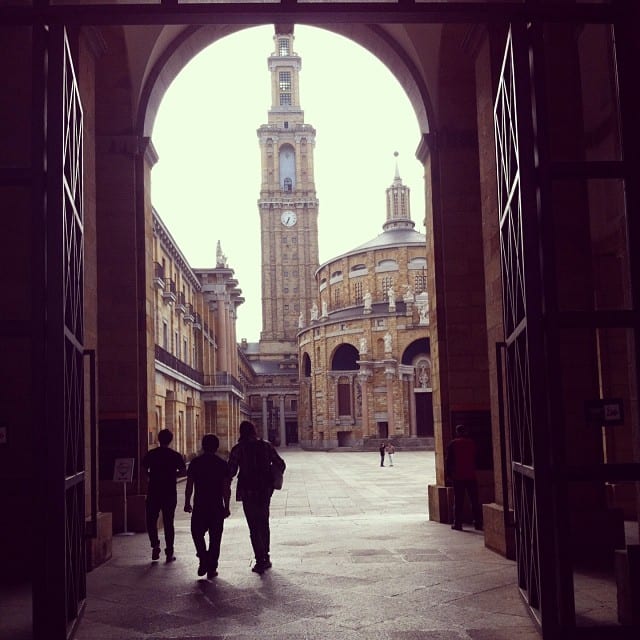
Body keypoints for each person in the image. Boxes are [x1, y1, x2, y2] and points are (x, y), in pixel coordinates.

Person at [228, 420, 286, 574]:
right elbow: (280, 463)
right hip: (265, 490)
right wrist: (272, 477)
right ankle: (266, 556)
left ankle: (260, 559)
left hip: (247, 491)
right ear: (254, 430)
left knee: (253, 526)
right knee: (264, 522)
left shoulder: (238, 449)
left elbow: (231, 471)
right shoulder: (266, 445)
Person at [184, 434, 231, 579]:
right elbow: (226, 488)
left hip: (200, 505)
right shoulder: (222, 464)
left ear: (203, 446)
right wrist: (227, 506)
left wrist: (187, 502)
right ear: (216, 447)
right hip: (216, 506)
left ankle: (203, 557)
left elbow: (189, 485)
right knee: (215, 538)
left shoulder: (195, 463)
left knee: (196, 533)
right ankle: (212, 567)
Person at [141, 428, 186, 562]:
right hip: (169, 492)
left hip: (154, 491)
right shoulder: (175, 455)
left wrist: (150, 476)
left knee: (151, 520)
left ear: (158, 439)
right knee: (168, 522)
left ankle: (155, 544)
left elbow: (143, 469)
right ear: (171, 440)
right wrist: (172, 476)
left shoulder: (152, 454)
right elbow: (184, 471)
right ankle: (169, 552)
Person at [445, 424, 483, 531]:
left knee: (458, 501)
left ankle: (458, 523)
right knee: (474, 500)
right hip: (471, 475)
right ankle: (478, 523)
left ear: (457, 432)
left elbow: (449, 461)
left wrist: (448, 475)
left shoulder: (453, 444)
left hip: (458, 476)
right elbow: (477, 458)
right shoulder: (472, 443)